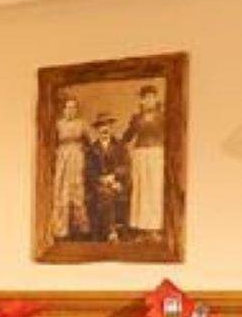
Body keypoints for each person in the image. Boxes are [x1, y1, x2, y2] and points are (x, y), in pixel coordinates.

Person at [126, 85, 167, 235]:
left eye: (152, 97)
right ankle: (141, 227)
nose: (149, 100)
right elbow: (127, 136)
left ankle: (155, 228)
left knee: (155, 189)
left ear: (156, 99)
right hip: (140, 156)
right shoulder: (136, 118)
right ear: (141, 101)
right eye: (146, 98)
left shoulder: (163, 117)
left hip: (156, 155)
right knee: (141, 190)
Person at [85, 112, 130, 241]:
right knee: (105, 193)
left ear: (111, 127)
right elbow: (89, 171)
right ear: (97, 129)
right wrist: (101, 180)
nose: (105, 128)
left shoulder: (120, 146)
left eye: (107, 125)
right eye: (101, 125)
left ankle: (112, 231)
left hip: (117, 181)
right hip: (98, 184)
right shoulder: (92, 149)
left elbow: (126, 166)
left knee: (114, 192)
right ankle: (111, 231)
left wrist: (115, 177)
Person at [49, 96, 89, 239]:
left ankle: (80, 228)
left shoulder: (82, 124)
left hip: (77, 159)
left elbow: (89, 142)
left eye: (73, 107)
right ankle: (61, 228)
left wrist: (82, 151)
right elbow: (52, 142)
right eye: (68, 107)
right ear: (64, 109)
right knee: (62, 191)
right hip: (63, 159)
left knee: (77, 190)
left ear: (76, 110)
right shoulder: (58, 124)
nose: (71, 110)